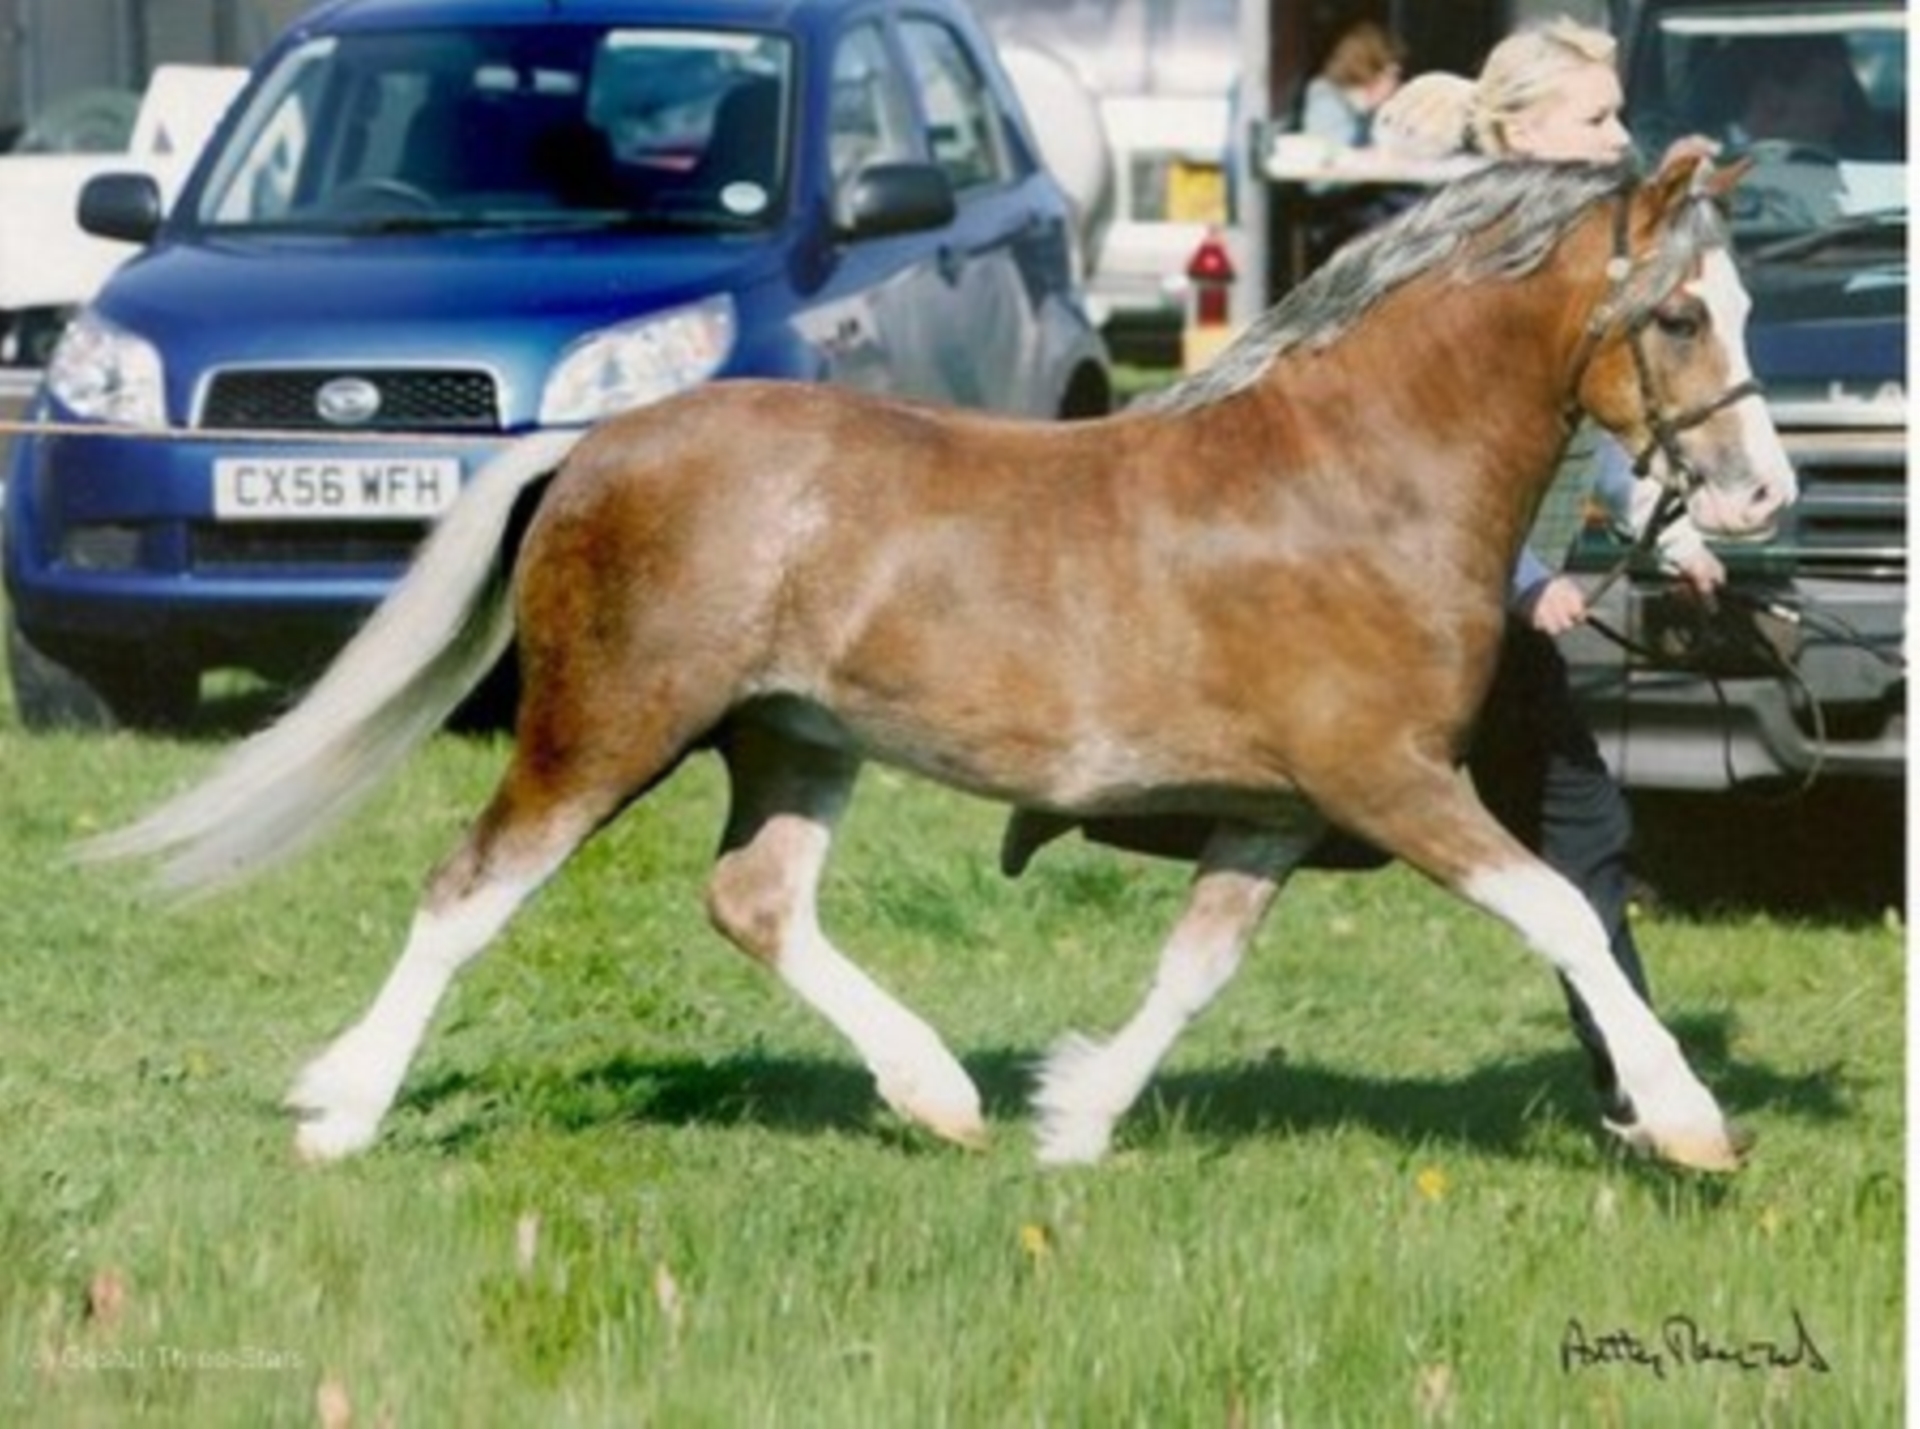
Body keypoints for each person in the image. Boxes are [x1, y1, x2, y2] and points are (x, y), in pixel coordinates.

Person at [1005, 18, 1724, 1144]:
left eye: (1617, 112)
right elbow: (1406, 463)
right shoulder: (1472, 254)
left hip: (1464, 606)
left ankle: (1640, 1083)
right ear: (1527, 127)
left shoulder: (1586, 249)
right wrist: (1526, 581)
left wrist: (1667, 529)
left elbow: (1607, 410)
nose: (1619, 133)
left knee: (1537, 830)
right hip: (1409, 612)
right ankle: (1648, 1085)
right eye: (1596, 115)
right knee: (1506, 831)